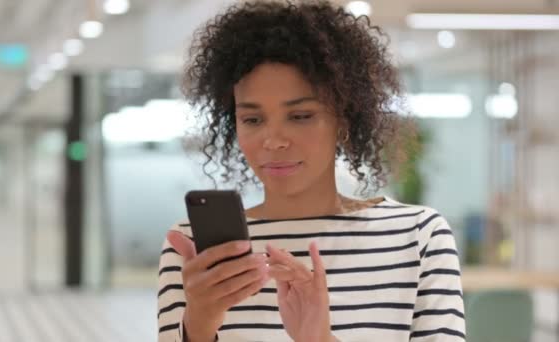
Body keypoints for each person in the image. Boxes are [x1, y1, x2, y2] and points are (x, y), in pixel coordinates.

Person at [157, 1, 465, 341]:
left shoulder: (417, 236)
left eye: (300, 116)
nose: (273, 141)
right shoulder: (193, 251)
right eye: (253, 119)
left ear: (344, 120)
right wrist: (199, 324)